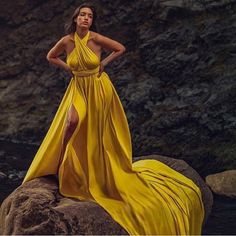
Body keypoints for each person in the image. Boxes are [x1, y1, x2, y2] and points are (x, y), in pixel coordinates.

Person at [22, 3, 205, 235]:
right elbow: (51, 56)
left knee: (94, 131)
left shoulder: (96, 38)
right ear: (75, 18)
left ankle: (94, 171)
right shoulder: (67, 40)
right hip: (78, 87)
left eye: (89, 16)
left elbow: (120, 48)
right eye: (82, 15)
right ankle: (61, 165)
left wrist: (103, 64)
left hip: (99, 88)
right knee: (71, 123)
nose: (86, 19)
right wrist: (68, 68)